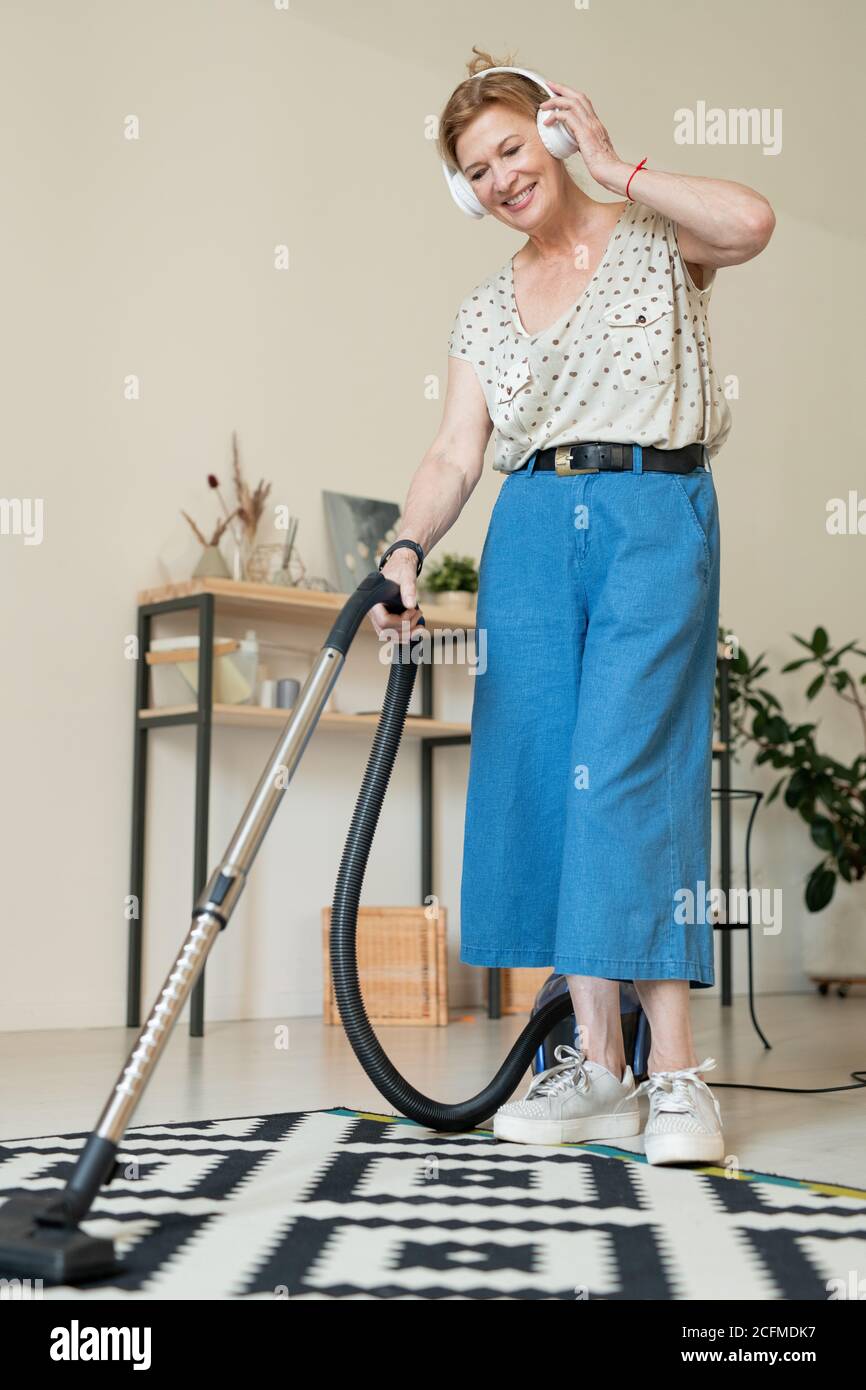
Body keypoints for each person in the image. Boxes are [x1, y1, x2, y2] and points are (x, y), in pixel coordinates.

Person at [368, 49, 775, 1165]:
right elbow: (455, 452)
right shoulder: (482, 306)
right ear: (463, 191)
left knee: (627, 773)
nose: (500, 175)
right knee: (546, 775)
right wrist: (404, 548)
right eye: (476, 167)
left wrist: (615, 165)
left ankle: (675, 1073)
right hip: (531, 529)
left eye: (511, 146)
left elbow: (749, 222)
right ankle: (596, 1066)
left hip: (653, 508)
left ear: (550, 132)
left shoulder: (653, 241)